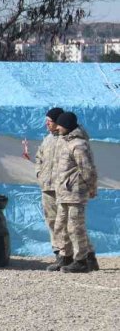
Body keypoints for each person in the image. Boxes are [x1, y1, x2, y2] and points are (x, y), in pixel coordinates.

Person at [51, 112, 99, 273]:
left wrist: (91, 188)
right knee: (61, 226)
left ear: (67, 126)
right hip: (64, 192)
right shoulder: (64, 142)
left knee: (75, 227)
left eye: (60, 125)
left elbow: (87, 169)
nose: (57, 128)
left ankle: (82, 261)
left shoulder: (78, 144)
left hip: (75, 192)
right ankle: (66, 256)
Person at [35, 108, 65, 267]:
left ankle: (72, 255)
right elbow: (39, 157)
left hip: (64, 189)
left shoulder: (69, 139)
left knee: (66, 222)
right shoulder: (47, 139)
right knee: (52, 222)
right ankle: (58, 254)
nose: (47, 124)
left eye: (50, 121)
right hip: (47, 187)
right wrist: (40, 174)